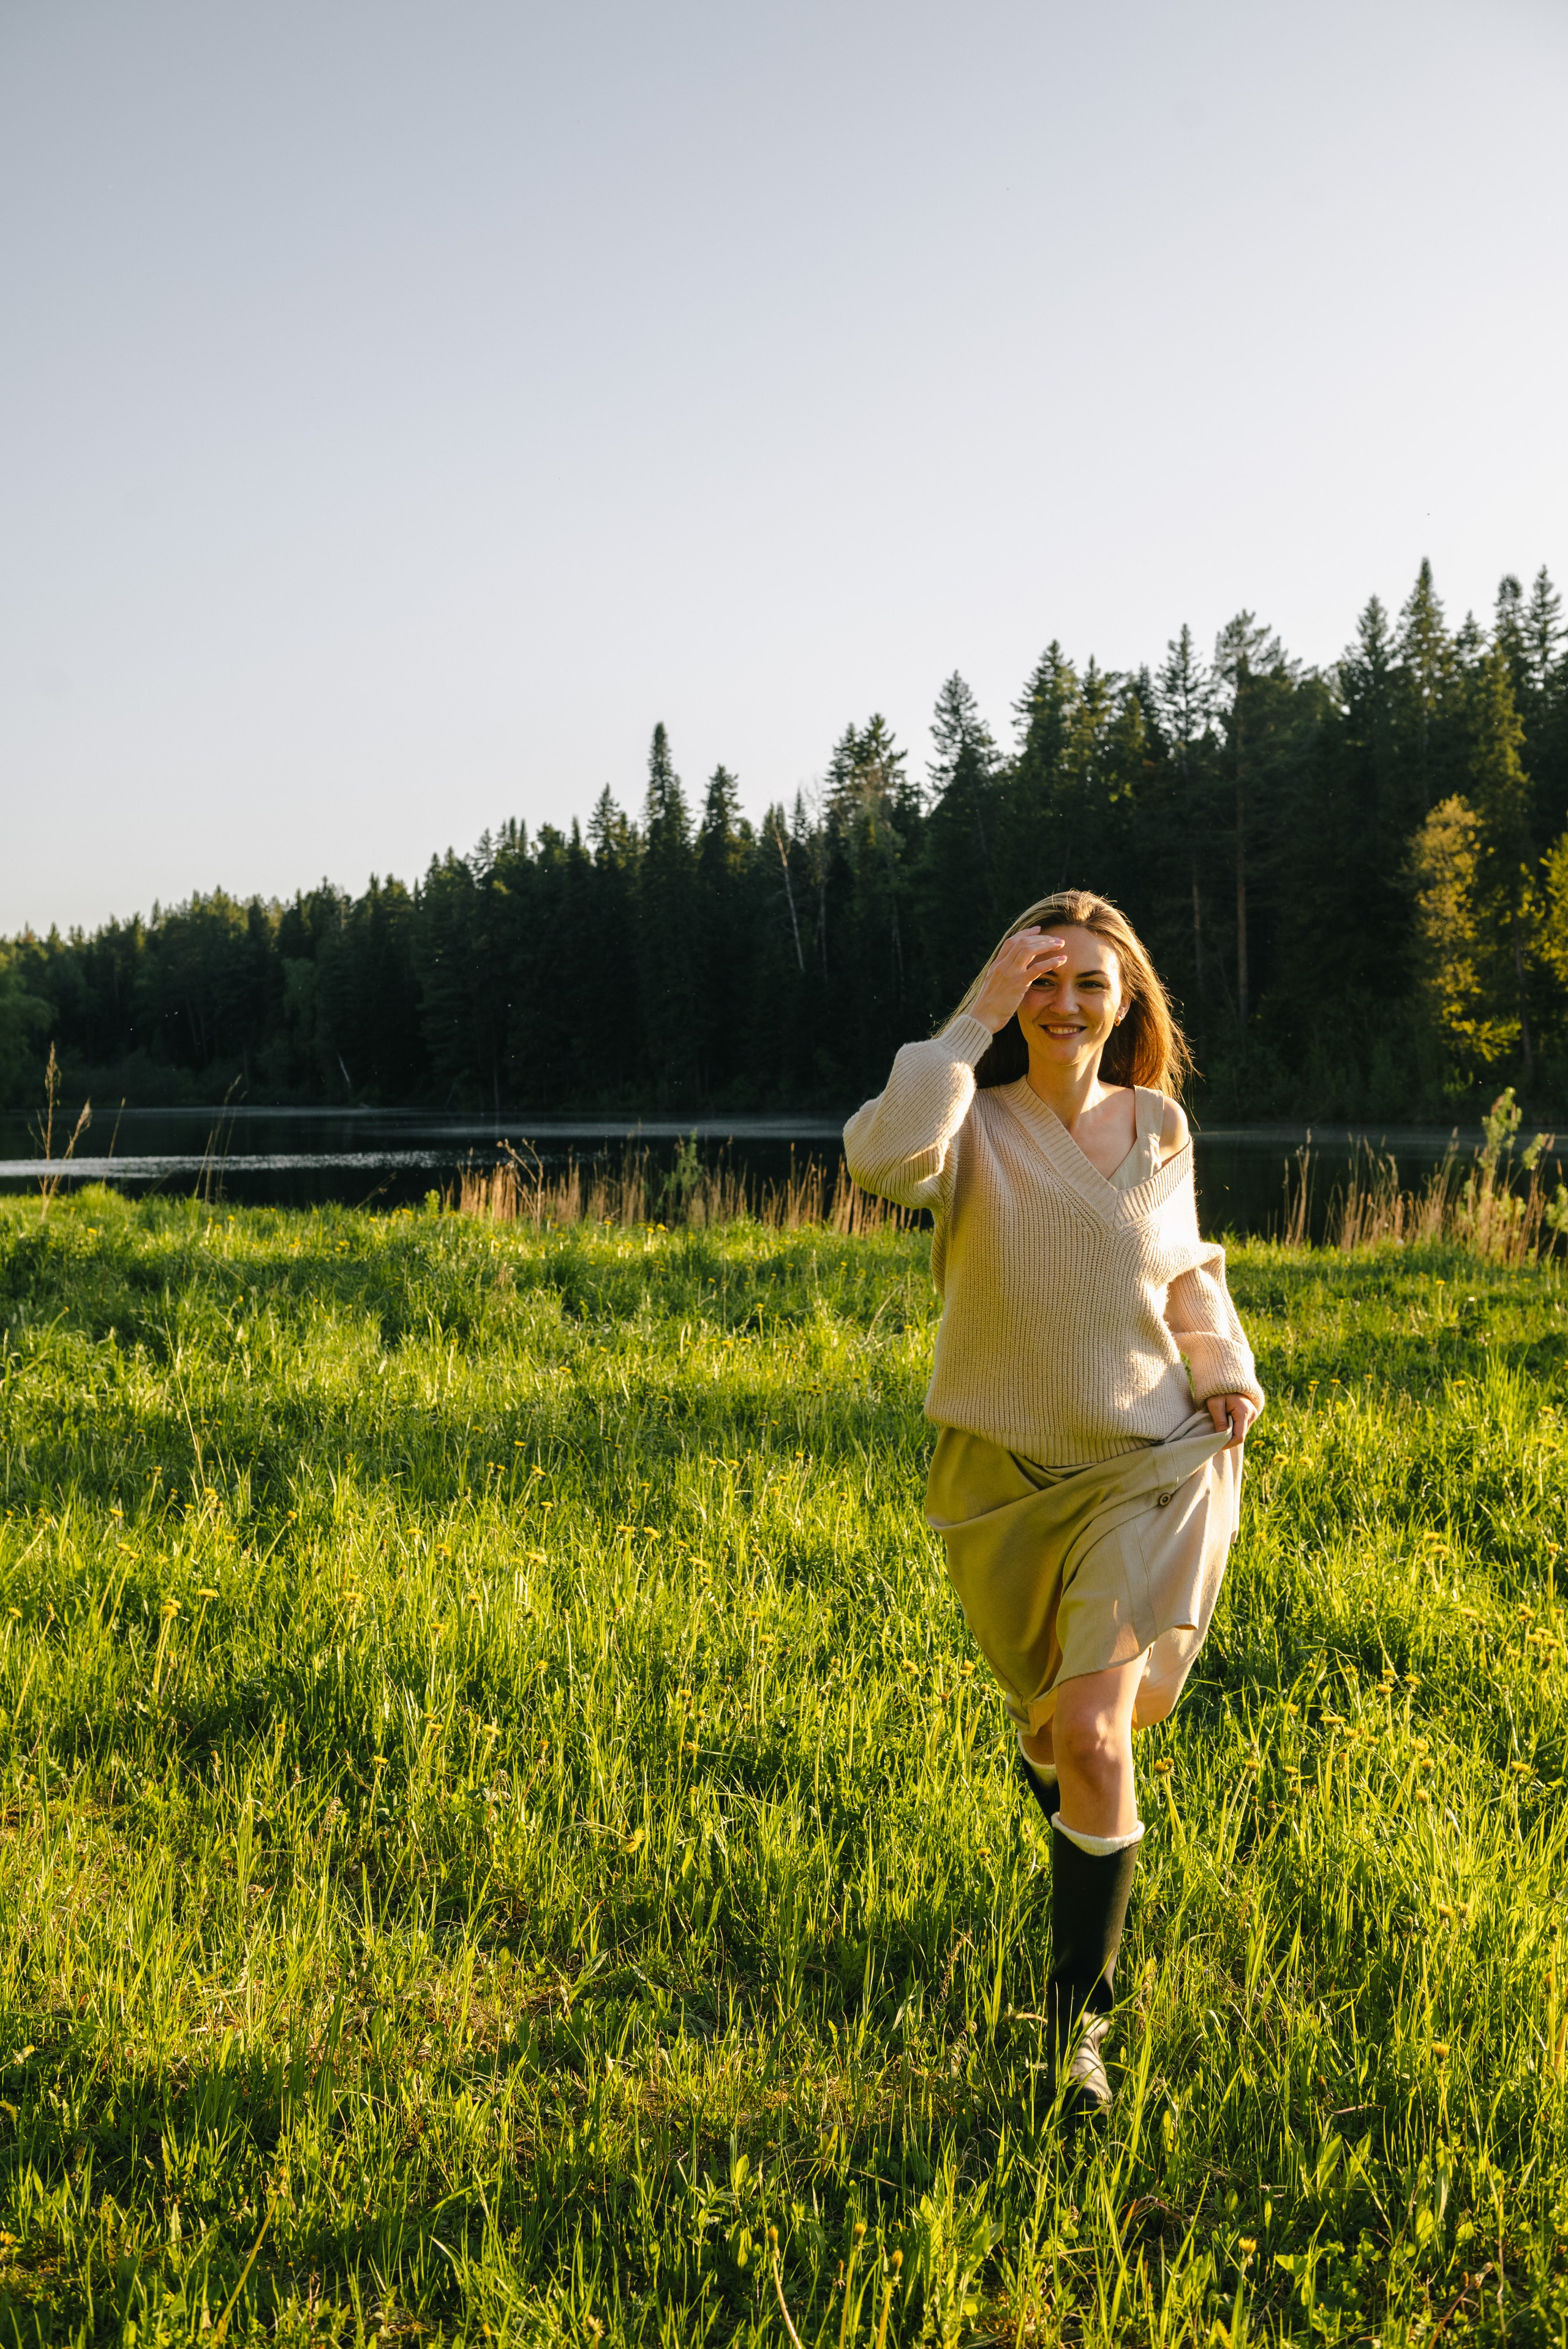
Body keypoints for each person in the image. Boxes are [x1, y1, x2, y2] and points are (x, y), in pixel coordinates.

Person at [843, 889, 1264, 2114]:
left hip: (1148, 1465)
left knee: (1089, 1734)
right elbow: (877, 1160)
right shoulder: (966, 1117)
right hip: (1000, 1481)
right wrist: (967, 1024)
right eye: (1042, 979)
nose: (1068, 1002)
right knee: (1069, 1737)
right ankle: (1093, 1822)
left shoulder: (1156, 1124)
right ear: (1010, 992)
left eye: (1090, 981)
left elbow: (1185, 1272)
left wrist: (1220, 1364)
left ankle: (1076, 2033)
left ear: (1125, 997)